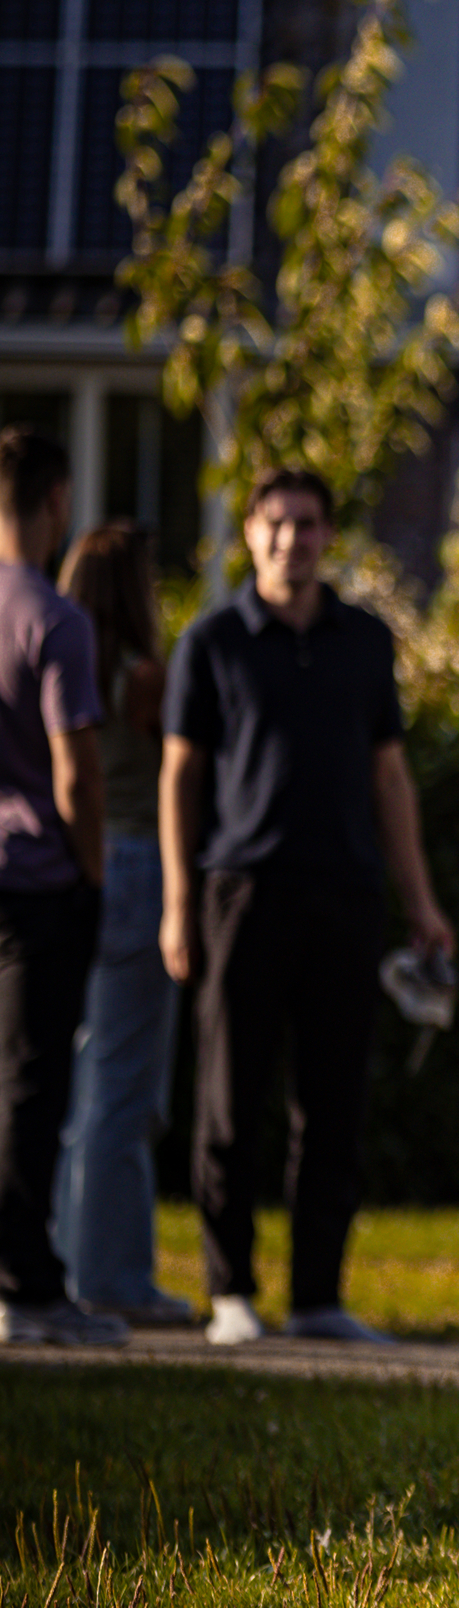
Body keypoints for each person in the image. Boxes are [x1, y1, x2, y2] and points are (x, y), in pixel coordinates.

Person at [161, 466, 454, 1344]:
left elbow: (389, 777)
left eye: (308, 524)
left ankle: (319, 1298)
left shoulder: (365, 642)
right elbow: (181, 775)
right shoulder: (211, 642)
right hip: (239, 894)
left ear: (329, 535)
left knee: (331, 1104)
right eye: (276, 524)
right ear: (249, 534)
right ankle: (231, 1294)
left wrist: (422, 901)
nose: (292, 539)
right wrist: (179, 903)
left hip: (347, 893)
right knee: (228, 1100)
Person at [52, 522, 192, 1324]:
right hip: (136, 867)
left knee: (80, 1083)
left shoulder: (59, 666)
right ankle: (111, 1276)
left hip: (65, 870)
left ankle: (72, 1258)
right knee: (126, 1087)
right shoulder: (144, 678)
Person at [0, 428, 122, 1347]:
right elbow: (76, 773)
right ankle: (28, 1284)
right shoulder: (56, 619)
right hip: (39, 882)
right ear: (56, 503)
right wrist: (93, 871)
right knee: (34, 1086)